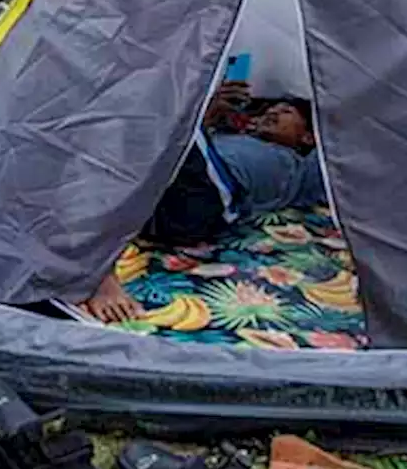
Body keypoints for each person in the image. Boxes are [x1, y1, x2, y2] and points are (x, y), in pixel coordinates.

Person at [84, 82, 328, 322]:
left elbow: (352, 136)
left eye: (286, 112)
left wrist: (194, 108)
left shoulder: (302, 170)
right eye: (271, 109)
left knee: (156, 107)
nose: (272, 112)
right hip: (164, 197)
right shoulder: (230, 137)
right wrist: (208, 114)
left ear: (307, 137)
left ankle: (99, 273)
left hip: (204, 199)